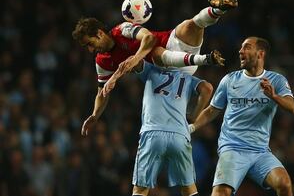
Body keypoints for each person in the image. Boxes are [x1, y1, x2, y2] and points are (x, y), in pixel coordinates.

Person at [72, 0, 237, 129]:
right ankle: (205, 60)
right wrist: (95, 115)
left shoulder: (122, 30)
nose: (90, 50)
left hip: (172, 44)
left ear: (100, 34)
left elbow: (149, 38)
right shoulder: (102, 62)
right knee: (156, 54)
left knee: (190, 25)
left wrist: (136, 57)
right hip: (165, 65)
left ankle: (217, 9)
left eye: (90, 44)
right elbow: (102, 92)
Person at [83, 58, 213, 196]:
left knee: (140, 189)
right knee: (189, 190)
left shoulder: (152, 70)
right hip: (179, 134)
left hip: (152, 133)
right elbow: (208, 89)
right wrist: (193, 116)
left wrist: (115, 74)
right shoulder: (187, 77)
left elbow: (134, 61)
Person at [190, 36, 294, 196]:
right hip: (232, 148)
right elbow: (212, 110)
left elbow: (292, 107)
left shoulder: (276, 80)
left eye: (247, 47)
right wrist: (191, 127)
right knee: (220, 193)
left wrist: (274, 96)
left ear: (260, 54)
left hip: (260, 151)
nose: (240, 51)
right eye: (241, 47)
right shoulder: (229, 79)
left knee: (284, 184)